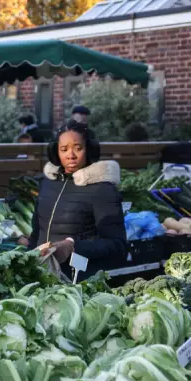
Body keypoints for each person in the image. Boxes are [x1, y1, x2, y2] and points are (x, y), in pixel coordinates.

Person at [25, 120, 126, 281]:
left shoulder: (103, 189)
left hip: (79, 280)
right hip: (42, 275)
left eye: (78, 148)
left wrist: (73, 246)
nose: (70, 155)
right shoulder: (47, 183)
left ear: (89, 149)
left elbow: (117, 246)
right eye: (64, 149)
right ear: (56, 152)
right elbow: (37, 230)